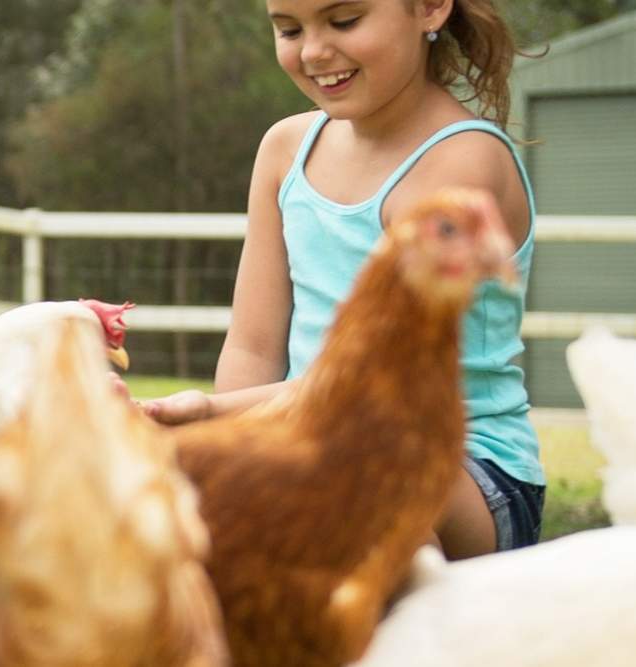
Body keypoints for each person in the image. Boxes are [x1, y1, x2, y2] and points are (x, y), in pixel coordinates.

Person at [135, 0, 540, 558]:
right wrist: (225, 458)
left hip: (463, 469)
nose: (314, 51)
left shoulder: (460, 160)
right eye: (289, 30)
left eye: (344, 21)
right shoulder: (284, 150)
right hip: (309, 441)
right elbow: (253, 347)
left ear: (428, 8)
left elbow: (379, 387)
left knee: (354, 475)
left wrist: (210, 417)